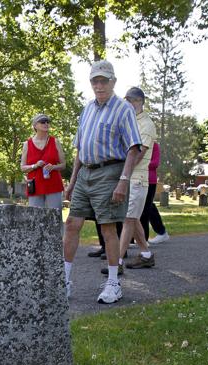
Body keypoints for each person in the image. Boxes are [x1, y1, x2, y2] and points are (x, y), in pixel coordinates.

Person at [63, 60, 141, 304]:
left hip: (110, 172)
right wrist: (72, 181)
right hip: (84, 173)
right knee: (72, 224)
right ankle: (64, 280)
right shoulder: (87, 109)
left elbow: (134, 148)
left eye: (104, 81)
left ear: (113, 82)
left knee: (107, 228)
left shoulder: (123, 108)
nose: (99, 85)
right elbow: (80, 149)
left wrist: (123, 180)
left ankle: (114, 283)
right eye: (95, 81)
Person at [101, 87, 157, 275]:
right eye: (126, 100)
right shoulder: (131, 121)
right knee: (132, 219)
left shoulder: (146, 125)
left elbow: (139, 153)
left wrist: (123, 174)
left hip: (137, 179)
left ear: (140, 101)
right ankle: (146, 255)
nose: (128, 104)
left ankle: (117, 262)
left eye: (131, 101)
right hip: (129, 177)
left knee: (128, 219)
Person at [20, 113, 65, 210]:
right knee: (35, 218)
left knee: (54, 217)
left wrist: (53, 167)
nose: (46, 124)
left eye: (48, 122)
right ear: (35, 125)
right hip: (35, 186)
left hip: (53, 185)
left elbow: (63, 164)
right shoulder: (27, 144)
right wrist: (34, 166)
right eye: (42, 122)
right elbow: (23, 168)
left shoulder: (55, 141)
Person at [142, 142, 170, 244]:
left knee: (147, 207)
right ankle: (138, 238)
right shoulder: (136, 143)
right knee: (144, 207)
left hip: (149, 180)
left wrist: (139, 164)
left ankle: (160, 233)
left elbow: (155, 163)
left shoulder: (154, 145)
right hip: (136, 180)